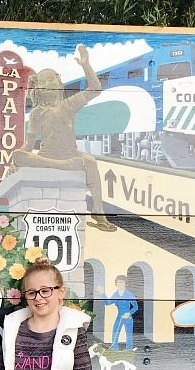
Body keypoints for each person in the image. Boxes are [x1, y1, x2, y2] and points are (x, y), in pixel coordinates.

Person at [7, 44, 116, 232]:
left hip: (68, 156)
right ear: (43, 87)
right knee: (17, 155)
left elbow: (95, 88)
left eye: (56, 78)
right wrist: (13, 162)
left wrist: (85, 65)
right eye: (51, 79)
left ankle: (98, 212)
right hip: (51, 158)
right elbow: (28, 146)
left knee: (89, 161)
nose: (55, 82)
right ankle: (66, 165)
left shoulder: (68, 105)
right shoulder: (36, 113)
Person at [99, 275, 138, 350]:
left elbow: (136, 307)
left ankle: (129, 351)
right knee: (115, 332)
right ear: (116, 284)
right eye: (118, 282)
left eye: (122, 282)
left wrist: (129, 313)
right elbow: (107, 303)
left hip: (128, 318)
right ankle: (114, 349)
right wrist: (102, 293)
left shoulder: (129, 294)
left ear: (125, 283)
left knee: (129, 335)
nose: (120, 284)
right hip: (119, 316)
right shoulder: (116, 294)